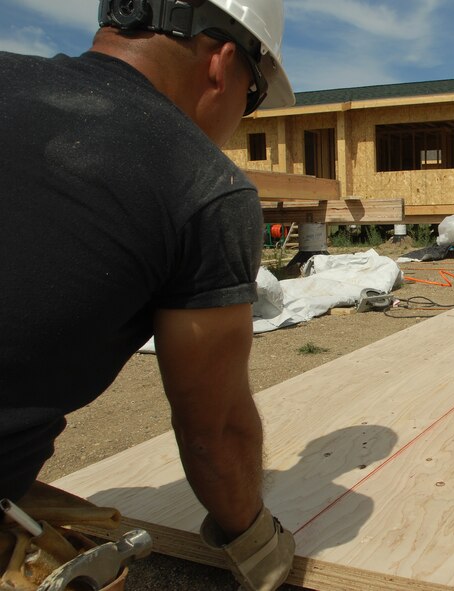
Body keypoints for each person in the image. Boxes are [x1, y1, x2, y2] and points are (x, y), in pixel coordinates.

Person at [0, 1, 297, 588]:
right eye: (254, 97)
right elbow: (215, 432)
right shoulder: (201, 185)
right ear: (223, 63)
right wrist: (257, 542)